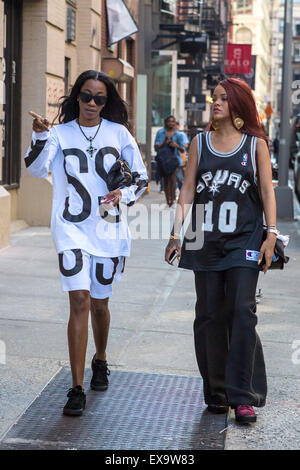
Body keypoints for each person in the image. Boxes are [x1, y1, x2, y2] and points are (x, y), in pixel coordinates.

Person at [25, 70, 148, 416]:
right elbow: (35, 170)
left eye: (99, 98)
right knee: (78, 299)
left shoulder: (118, 133)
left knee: (99, 304)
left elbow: (140, 180)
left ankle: (101, 357)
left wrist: (121, 193)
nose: (92, 103)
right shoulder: (58, 134)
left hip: (108, 230)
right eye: (86, 96)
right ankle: (76, 387)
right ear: (76, 97)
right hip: (70, 228)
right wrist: (38, 138)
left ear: (107, 102)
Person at [165, 77, 277, 424]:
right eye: (214, 97)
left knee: (242, 312)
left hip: (244, 239)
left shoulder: (254, 144)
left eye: (224, 99)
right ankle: (216, 392)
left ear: (239, 105)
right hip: (204, 239)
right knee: (210, 315)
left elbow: (267, 191)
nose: (216, 103)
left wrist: (270, 235)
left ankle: (243, 396)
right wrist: (175, 234)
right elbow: (186, 190)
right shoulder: (200, 143)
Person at [154, 115, 185, 206]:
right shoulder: (160, 133)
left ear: (175, 123)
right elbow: (156, 147)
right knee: (166, 180)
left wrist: (176, 145)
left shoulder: (179, 135)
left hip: (174, 160)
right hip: (163, 160)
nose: (171, 123)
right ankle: (168, 199)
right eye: (169, 121)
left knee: (172, 179)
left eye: (173, 121)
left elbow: (182, 149)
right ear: (165, 123)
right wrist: (164, 143)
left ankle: (172, 198)